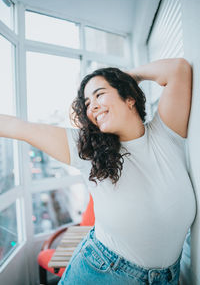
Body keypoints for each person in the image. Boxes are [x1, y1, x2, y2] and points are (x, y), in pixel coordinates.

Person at [0, 58, 196, 285]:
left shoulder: (166, 133)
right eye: (87, 102)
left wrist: (127, 77)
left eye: (99, 94)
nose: (91, 105)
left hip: (166, 278)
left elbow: (177, 69)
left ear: (129, 98)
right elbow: (19, 127)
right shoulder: (87, 149)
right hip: (101, 272)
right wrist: (113, 88)